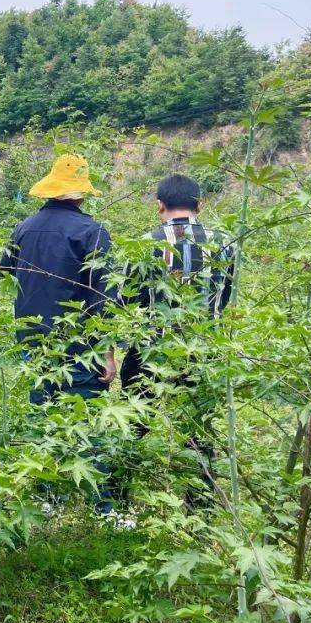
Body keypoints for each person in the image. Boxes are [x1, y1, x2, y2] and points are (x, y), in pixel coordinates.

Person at [0, 154, 122, 519]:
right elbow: (106, 297)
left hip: (33, 344)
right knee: (88, 423)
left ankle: (47, 498)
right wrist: (108, 352)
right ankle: (104, 509)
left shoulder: (24, 228)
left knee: (43, 421)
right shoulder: (92, 232)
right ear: (81, 193)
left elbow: (6, 272)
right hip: (80, 347)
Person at [119, 173, 234, 510]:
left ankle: (117, 501)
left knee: (133, 423)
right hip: (204, 352)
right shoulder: (226, 243)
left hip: (148, 351)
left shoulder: (144, 244)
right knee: (198, 432)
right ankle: (199, 509)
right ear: (200, 205)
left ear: (159, 206)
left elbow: (128, 299)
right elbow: (226, 297)